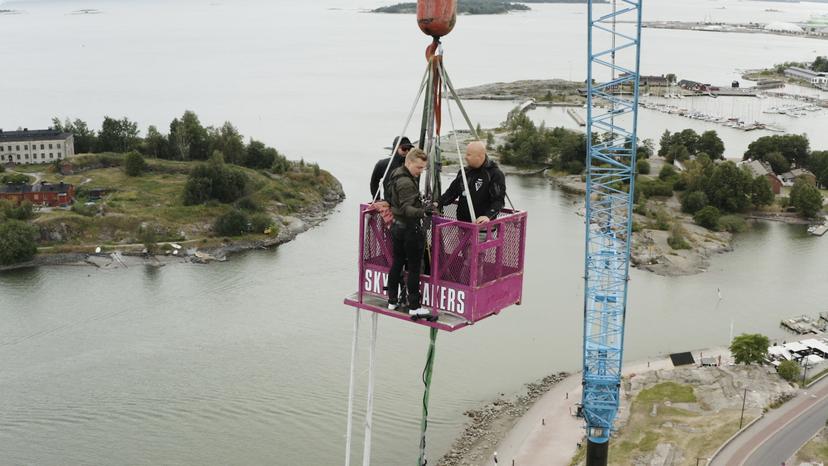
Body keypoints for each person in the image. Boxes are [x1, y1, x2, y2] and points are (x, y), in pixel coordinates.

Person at [386, 147, 432, 317]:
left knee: (397, 263)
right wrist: (424, 212)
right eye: (419, 168)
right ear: (409, 162)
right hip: (410, 229)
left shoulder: (396, 174)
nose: (420, 172)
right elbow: (407, 209)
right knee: (413, 268)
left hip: (397, 227)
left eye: (423, 168)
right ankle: (414, 306)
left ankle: (391, 300)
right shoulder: (405, 182)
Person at [438, 141, 506, 224]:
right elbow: (451, 193)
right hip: (462, 225)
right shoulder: (464, 172)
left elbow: (498, 201)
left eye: (469, 155)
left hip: (482, 228)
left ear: (480, 156)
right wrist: (437, 202)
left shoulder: (494, 174)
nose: (465, 157)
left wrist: (488, 216)